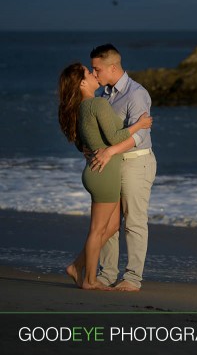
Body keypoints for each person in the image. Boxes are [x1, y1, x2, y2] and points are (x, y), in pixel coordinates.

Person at [57, 63, 152, 290]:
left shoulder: (80, 108)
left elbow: (83, 144)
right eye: (89, 73)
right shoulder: (97, 103)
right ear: (82, 82)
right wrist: (140, 124)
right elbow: (115, 136)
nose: (93, 74)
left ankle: (77, 267)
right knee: (98, 230)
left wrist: (94, 150)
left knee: (110, 228)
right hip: (105, 173)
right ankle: (89, 280)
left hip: (97, 172)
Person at [88, 44, 156, 292]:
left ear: (112, 67)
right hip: (113, 163)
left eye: (96, 69)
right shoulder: (103, 96)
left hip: (137, 162)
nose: (93, 74)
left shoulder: (137, 94)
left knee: (134, 222)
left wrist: (109, 151)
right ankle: (106, 275)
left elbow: (140, 135)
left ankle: (133, 278)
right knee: (110, 222)